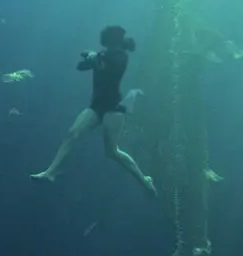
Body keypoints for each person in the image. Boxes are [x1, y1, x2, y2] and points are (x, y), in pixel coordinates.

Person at [31, 25, 156, 196]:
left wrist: (96, 57)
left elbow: (108, 69)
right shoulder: (103, 55)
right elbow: (80, 66)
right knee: (72, 133)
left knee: (112, 152)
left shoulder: (121, 57)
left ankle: (144, 180)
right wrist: (93, 58)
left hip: (113, 107)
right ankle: (50, 172)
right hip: (96, 106)